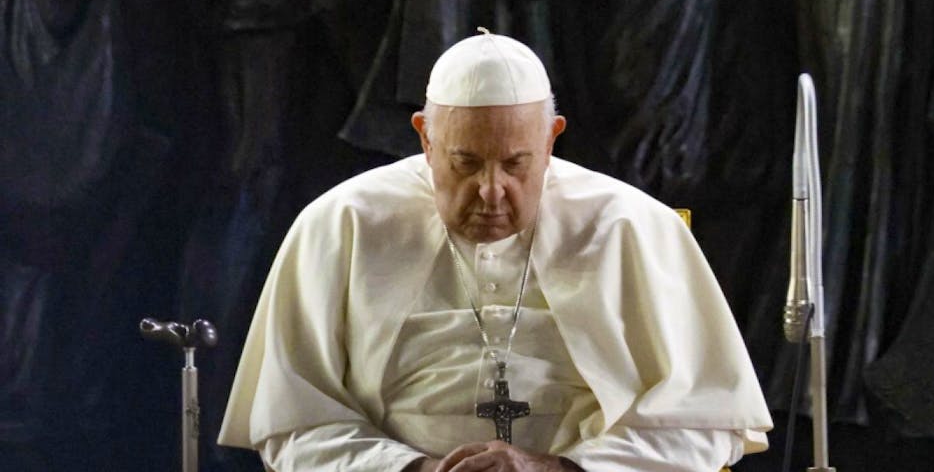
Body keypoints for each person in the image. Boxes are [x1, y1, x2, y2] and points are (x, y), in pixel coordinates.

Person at [218, 29, 773, 471]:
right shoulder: (342, 224)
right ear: (424, 137)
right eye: (465, 163)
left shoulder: (632, 226)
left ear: (552, 138)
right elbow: (292, 424)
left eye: (515, 164)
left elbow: (705, 423)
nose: (490, 190)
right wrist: (416, 469)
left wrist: (560, 469)